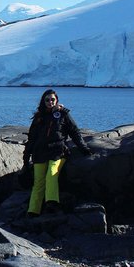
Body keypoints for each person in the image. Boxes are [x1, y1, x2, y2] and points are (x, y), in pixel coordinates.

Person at [23, 89, 92, 217]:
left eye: (52, 100)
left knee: (52, 173)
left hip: (57, 151)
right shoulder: (38, 117)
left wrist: (84, 148)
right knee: (38, 182)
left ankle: (52, 203)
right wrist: (26, 157)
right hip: (40, 153)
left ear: (57, 101)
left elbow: (74, 132)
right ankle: (33, 211)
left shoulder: (63, 115)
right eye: (47, 100)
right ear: (43, 102)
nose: (50, 102)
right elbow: (32, 138)